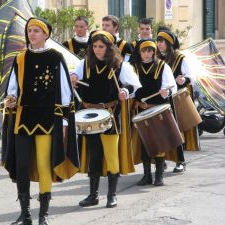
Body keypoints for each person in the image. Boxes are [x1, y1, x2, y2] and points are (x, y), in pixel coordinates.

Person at [4, 17, 79, 225]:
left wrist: (64, 121)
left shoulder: (56, 57)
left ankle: (43, 214)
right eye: (30, 30)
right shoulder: (20, 58)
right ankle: (25, 213)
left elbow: (65, 92)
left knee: (44, 165)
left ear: (46, 34)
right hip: (23, 118)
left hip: (47, 119)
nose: (32, 34)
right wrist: (10, 99)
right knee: (22, 165)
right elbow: (13, 87)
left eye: (37, 30)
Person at [71, 30, 141, 208]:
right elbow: (73, 76)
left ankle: (111, 195)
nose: (97, 50)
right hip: (89, 116)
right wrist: (72, 78)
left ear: (109, 48)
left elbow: (134, 85)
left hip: (110, 114)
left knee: (111, 155)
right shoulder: (84, 64)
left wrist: (125, 91)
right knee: (94, 156)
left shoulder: (120, 66)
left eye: (101, 46)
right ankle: (93, 195)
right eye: (94, 46)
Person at [130, 39, 177, 186]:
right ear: (139, 52)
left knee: (159, 143)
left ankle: (159, 176)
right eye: (144, 50)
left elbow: (172, 87)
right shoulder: (133, 67)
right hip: (141, 109)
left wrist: (166, 91)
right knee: (144, 143)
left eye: (150, 50)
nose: (147, 53)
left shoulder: (162, 66)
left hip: (158, 110)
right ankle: (146, 176)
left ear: (154, 52)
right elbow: (130, 88)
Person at [156, 30, 198, 173]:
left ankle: (180, 161)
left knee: (175, 130)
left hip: (175, 100)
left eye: (162, 41)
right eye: (158, 41)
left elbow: (192, 77)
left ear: (169, 43)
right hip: (160, 99)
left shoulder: (180, 58)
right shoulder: (155, 58)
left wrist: (183, 80)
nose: (159, 44)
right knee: (160, 132)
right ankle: (161, 161)